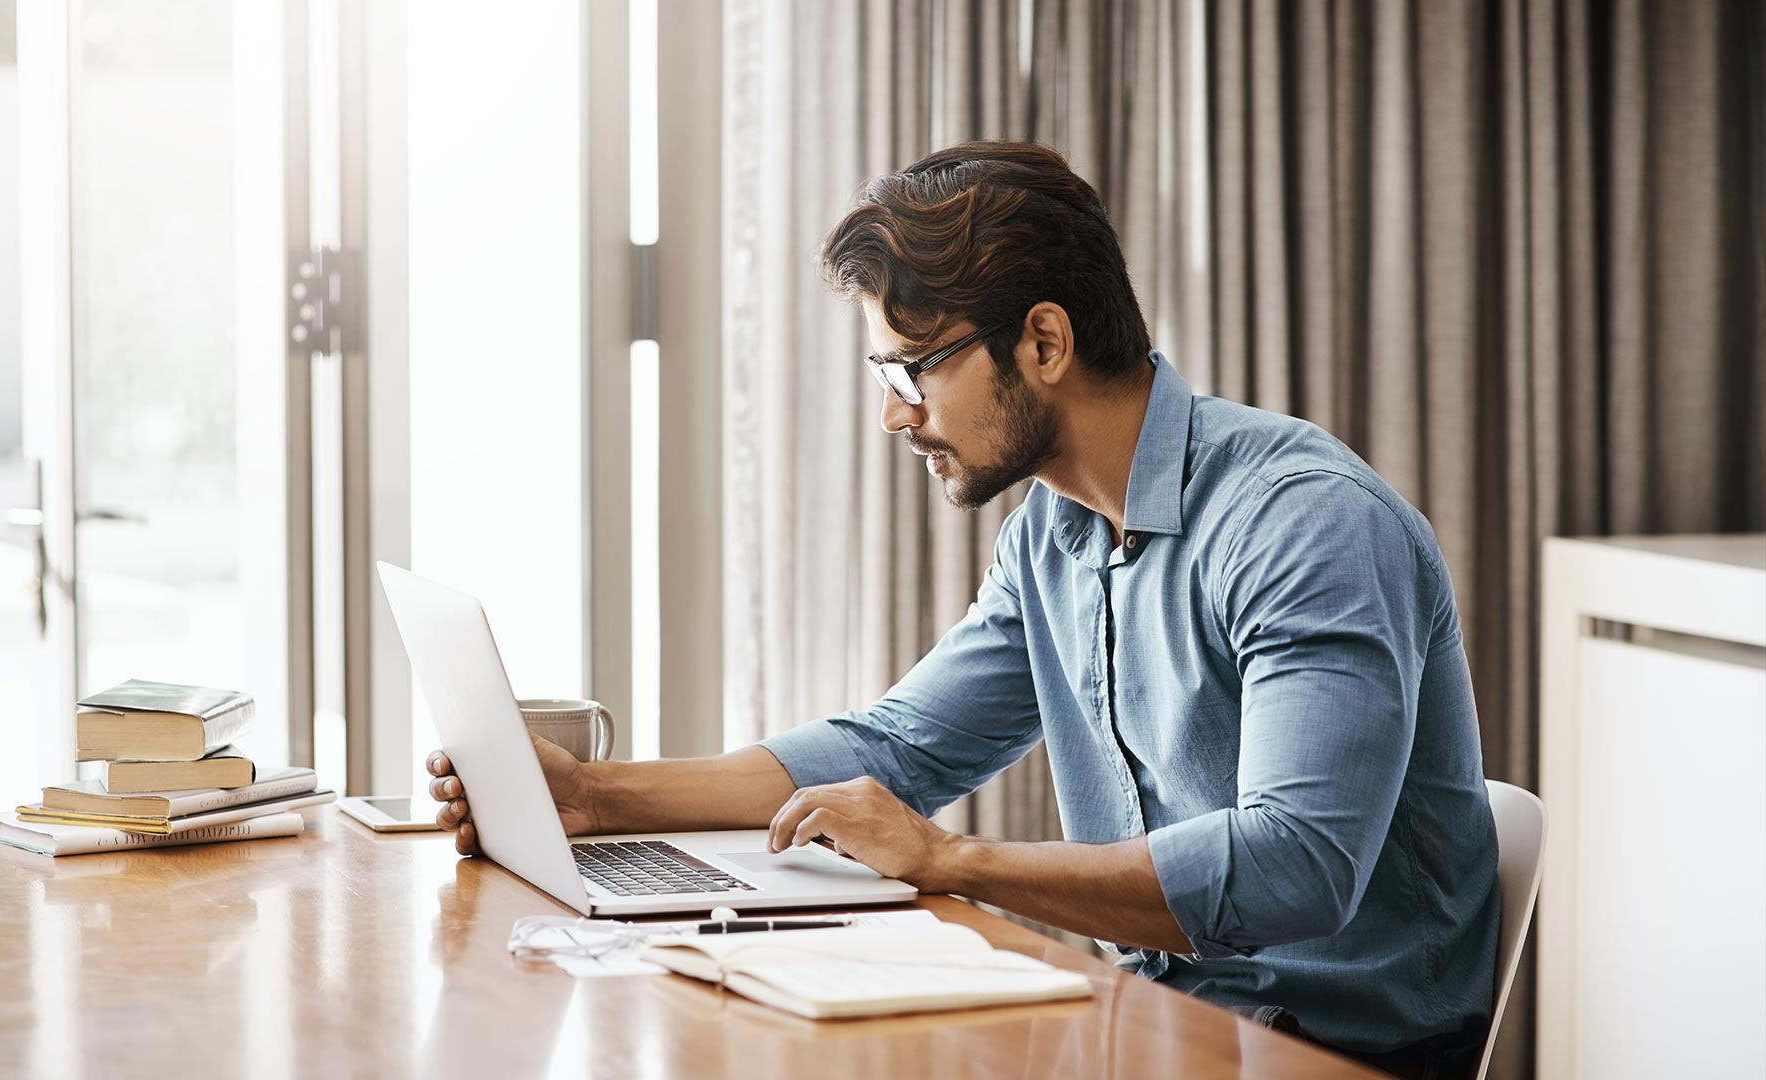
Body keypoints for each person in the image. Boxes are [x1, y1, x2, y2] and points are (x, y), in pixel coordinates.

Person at [426, 141, 1498, 1078]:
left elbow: (1294, 867)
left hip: (1325, 1053)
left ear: (1042, 342)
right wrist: (595, 799)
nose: (897, 417)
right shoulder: (1054, 532)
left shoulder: (1304, 523)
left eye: (914, 369)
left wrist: (952, 861)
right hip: (1147, 1020)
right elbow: (900, 748)